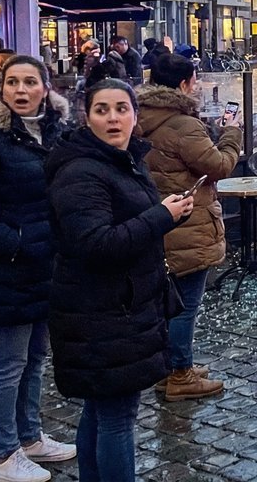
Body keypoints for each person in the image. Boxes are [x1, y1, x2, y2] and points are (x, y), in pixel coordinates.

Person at [45, 78, 192, 482]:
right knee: (116, 417)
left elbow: (129, 221)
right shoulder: (81, 172)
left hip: (121, 305)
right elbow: (96, 244)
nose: (113, 118)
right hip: (102, 311)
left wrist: (167, 212)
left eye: (121, 109)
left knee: (102, 409)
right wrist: (162, 216)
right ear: (86, 116)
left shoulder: (123, 159)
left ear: (134, 114)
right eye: (102, 110)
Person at [0, 56, 75, 482]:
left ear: (45, 88)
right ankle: (3, 454)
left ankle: (30, 437)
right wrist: (16, 242)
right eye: (12, 81)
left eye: (29, 81)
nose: (20, 89)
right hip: (4, 270)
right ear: (1, 87)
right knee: (6, 363)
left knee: (34, 358)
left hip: (42, 266)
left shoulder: (50, 133)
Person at [136, 54, 240, 401]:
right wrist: (230, 133)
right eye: (194, 80)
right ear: (184, 84)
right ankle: (180, 374)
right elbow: (219, 167)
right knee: (185, 305)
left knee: (169, 301)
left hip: (156, 220)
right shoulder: (182, 124)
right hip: (187, 224)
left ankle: (171, 366)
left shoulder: (140, 116)